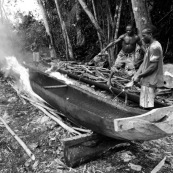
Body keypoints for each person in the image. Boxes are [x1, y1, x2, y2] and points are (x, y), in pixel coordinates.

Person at [132, 25, 164, 109]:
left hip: (150, 81)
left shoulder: (155, 47)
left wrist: (140, 76)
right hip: (146, 80)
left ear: (151, 34)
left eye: (144, 35)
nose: (142, 38)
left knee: (147, 105)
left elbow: (153, 66)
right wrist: (137, 75)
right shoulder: (151, 46)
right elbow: (144, 63)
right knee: (144, 104)